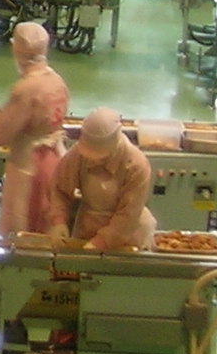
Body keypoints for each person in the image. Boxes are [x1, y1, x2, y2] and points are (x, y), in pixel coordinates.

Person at [0, 21, 70, 235]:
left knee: (23, 232)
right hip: (55, 161)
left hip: (29, 167)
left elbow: (1, 135)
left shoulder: (25, 89)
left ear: (16, 49)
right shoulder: (58, 82)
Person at [53, 108, 154, 252]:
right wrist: (59, 221)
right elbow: (60, 188)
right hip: (87, 228)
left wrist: (101, 242)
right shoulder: (78, 154)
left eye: (100, 156)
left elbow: (128, 215)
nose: (94, 160)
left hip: (126, 235)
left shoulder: (137, 165)